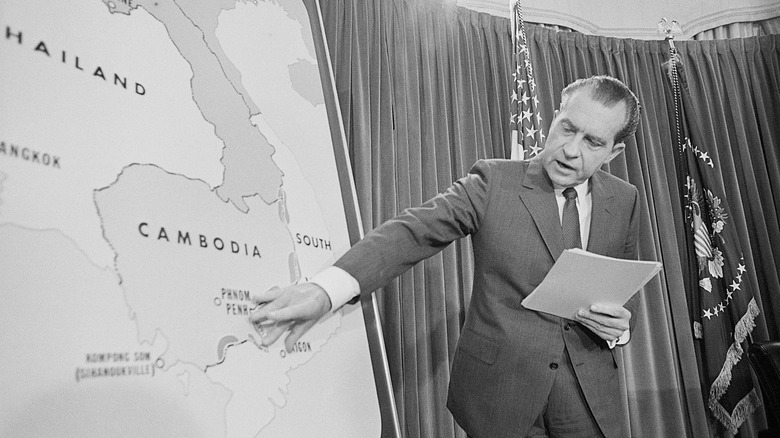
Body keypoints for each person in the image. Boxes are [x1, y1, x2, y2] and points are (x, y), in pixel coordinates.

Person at [251, 75, 643, 438]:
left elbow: (623, 287)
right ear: (555, 116)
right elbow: (413, 231)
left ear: (615, 151)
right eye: (567, 128)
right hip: (500, 397)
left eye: (592, 142)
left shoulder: (625, 199)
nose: (571, 150)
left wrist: (621, 328)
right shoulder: (493, 182)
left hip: (589, 401)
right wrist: (326, 290)